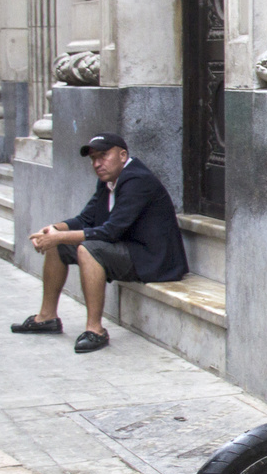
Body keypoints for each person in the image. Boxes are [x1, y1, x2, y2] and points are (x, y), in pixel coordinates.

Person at [11, 133, 189, 353]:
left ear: (123, 155)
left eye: (104, 156)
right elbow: (86, 219)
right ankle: (47, 317)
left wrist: (59, 236)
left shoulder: (137, 180)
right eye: (93, 158)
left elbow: (111, 232)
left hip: (154, 260)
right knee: (59, 245)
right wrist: (54, 230)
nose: (97, 163)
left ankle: (95, 330)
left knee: (89, 249)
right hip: (128, 248)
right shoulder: (109, 180)